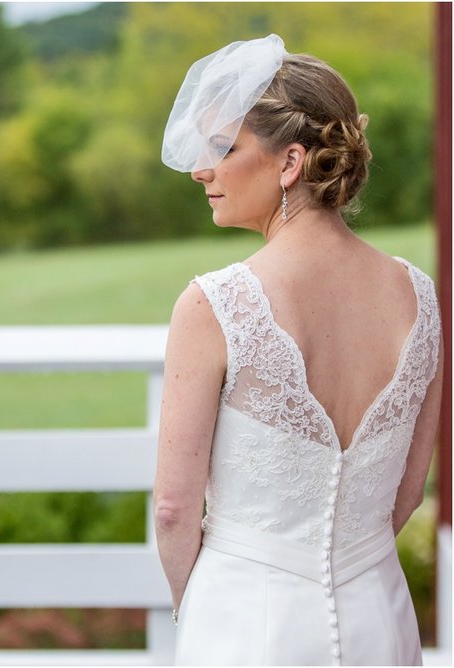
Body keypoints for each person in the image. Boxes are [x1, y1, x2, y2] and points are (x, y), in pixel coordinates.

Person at [153, 34, 443, 665]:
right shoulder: (419, 298)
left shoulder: (214, 304)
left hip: (245, 625)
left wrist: (196, 611)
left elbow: (174, 509)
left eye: (223, 148)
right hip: (379, 620)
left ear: (289, 163)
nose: (202, 169)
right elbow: (407, 495)